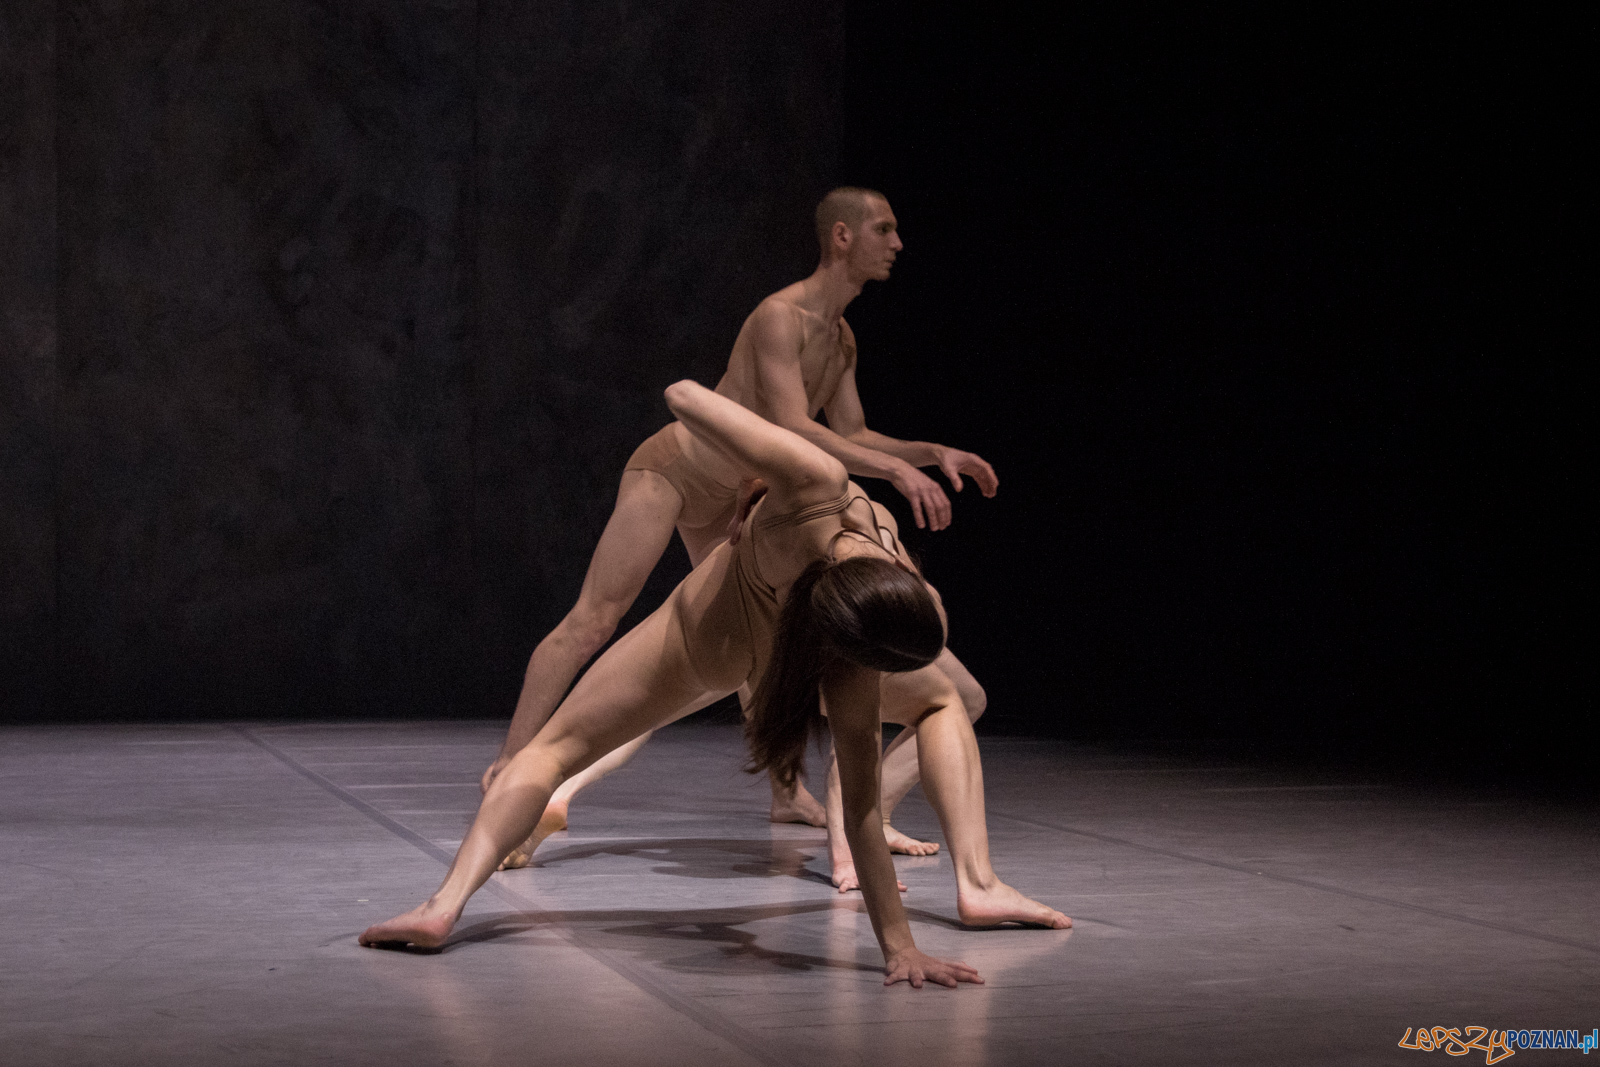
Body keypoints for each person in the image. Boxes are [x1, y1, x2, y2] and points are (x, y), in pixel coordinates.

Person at [360, 381, 1069, 987]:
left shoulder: (816, 485)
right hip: (743, 642)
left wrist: (763, 462)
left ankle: (440, 908)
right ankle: (978, 881)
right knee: (949, 699)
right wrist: (900, 950)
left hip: (707, 638)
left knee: (550, 752)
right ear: (906, 575)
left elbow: (682, 395)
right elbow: (857, 814)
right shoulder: (848, 665)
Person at [482, 187, 998, 856]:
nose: (897, 243)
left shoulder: (841, 339)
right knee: (596, 622)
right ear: (842, 236)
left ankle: (785, 792)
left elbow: (852, 432)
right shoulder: (779, 317)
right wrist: (896, 473)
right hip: (677, 473)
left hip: (739, 501)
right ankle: (512, 775)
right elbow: (789, 427)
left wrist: (930, 453)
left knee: (749, 644)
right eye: (884, 229)